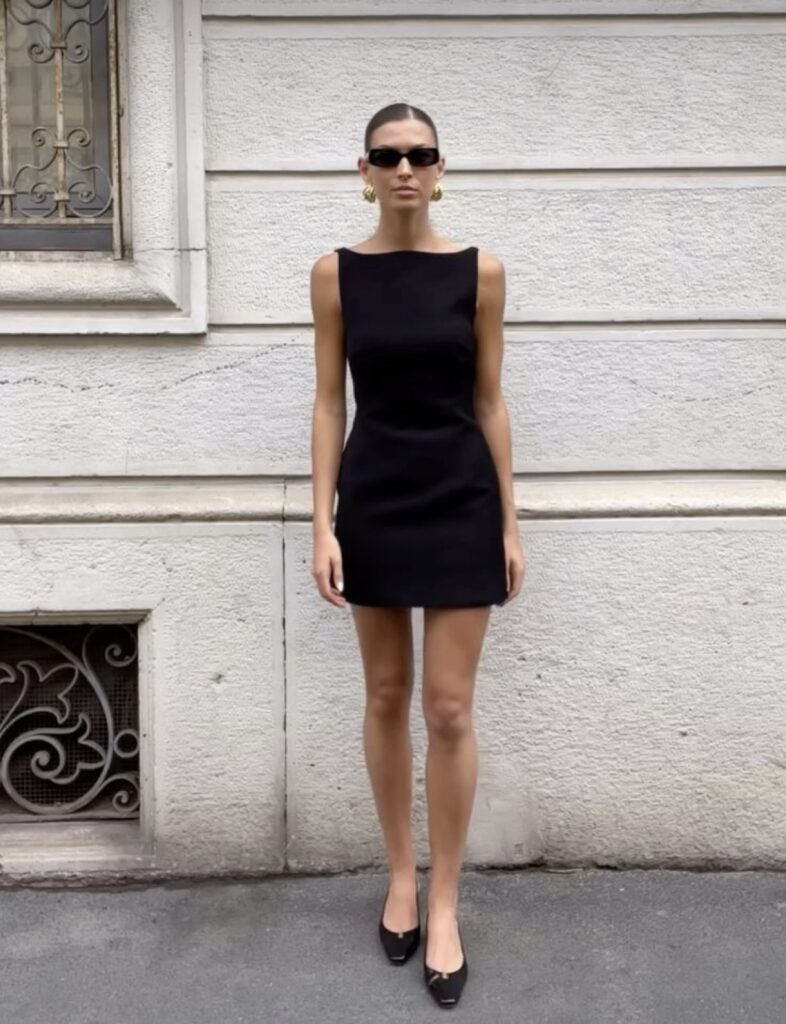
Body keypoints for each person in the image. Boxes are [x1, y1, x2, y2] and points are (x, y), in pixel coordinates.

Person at [309, 102, 525, 1008]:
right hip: (377, 500)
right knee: (386, 696)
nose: (406, 169)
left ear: (442, 170)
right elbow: (329, 404)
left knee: (447, 708)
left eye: (421, 155)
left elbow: (490, 401)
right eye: (388, 156)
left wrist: (510, 522)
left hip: (460, 499)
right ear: (363, 170)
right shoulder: (335, 275)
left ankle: (444, 903)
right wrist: (322, 520)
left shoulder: (482, 272)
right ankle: (400, 875)